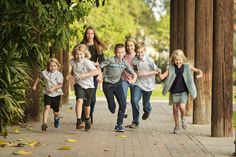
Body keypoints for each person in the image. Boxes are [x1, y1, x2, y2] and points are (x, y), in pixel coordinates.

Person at [159, 49, 203, 134]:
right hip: (174, 91)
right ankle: (176, 126)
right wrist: (158, 72)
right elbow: (162, 77)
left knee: (182, 107)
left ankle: (183, 118)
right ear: (173, 60)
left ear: (183, 59)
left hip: (183, 91)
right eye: (176, 60)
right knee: (175, 109)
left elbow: (198, 70)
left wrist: (200, 74)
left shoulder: (187, 67)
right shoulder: (170, 68)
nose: (178, 62)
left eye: (180, 60)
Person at [100, 43, 137, 132]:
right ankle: (111, 106)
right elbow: (99, 66)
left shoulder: (125, 63)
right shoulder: (110, 60)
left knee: (123, 104)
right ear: (115, 52)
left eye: (122, 52)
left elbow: (134, 74)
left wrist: (133, 80)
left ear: (124, 53)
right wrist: (99, 75)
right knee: (112, 108)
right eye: (118, 52)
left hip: (117, 84)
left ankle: (119, 124)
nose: (120, 54)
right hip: (107, 85)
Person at [66, 44, 99, 131]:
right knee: (79, 100)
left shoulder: (87, 62)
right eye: (77, 54)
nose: (79, 56)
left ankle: (87, 119)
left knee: (87, 105)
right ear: (74, 54)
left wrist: (85, 75)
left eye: (81, 54)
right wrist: (70, 75)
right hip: (79, 85)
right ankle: (79, 121)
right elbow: (73, 69)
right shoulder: (72, 61)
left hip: (89, 86)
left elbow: (96, 72)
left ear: (85, 54)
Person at [129, 41, 161, 128]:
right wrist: (132, 77)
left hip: (148, 85)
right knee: (134, 100)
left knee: (145, 103)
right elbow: (133, 70)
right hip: (138, 83)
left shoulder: (149, 60)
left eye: (141, 52)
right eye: (138, 52)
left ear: (145, 51)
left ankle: (147, 110)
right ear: (135, 51)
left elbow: (157, 71)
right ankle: (135, 121)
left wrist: (146, 74)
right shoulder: (134, 60)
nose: (140, 54)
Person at [80, 26, 107, 124]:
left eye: (91, 33)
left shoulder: (98, 47)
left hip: (94, 74)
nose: (89, 35)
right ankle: (83, 116)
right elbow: (77, 58)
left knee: (92, 97)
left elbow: (102, 61)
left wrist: (99, 67)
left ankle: (90, 114)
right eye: (88, 33)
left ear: (94, 34)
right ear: (85, 34)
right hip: (83, 74)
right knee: (82, 95)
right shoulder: (81, 45)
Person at [32, 58, 64, 131]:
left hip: (56, 94)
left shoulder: (59, 74)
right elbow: (39, 77)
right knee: (47, 107)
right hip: (47, 94)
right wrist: (35, 85)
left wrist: (53, 88)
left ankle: (56, 118)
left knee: (56, 112)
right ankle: (44, 124)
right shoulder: (44, 73)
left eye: (54, 66)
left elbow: (60, 85)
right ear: (48, 66)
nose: (53, 67)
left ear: (57, 66)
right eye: (51, 66)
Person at [121, 38, 136, 119]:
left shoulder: (137, 55)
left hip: (134, 80)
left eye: (131, 45)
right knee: (123, 97)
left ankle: (135, 120)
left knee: (134, 101)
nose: (129, 47)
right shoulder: (123, 55)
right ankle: (124, 111)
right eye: (127, 46)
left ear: (134, 46)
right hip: (124, 79)